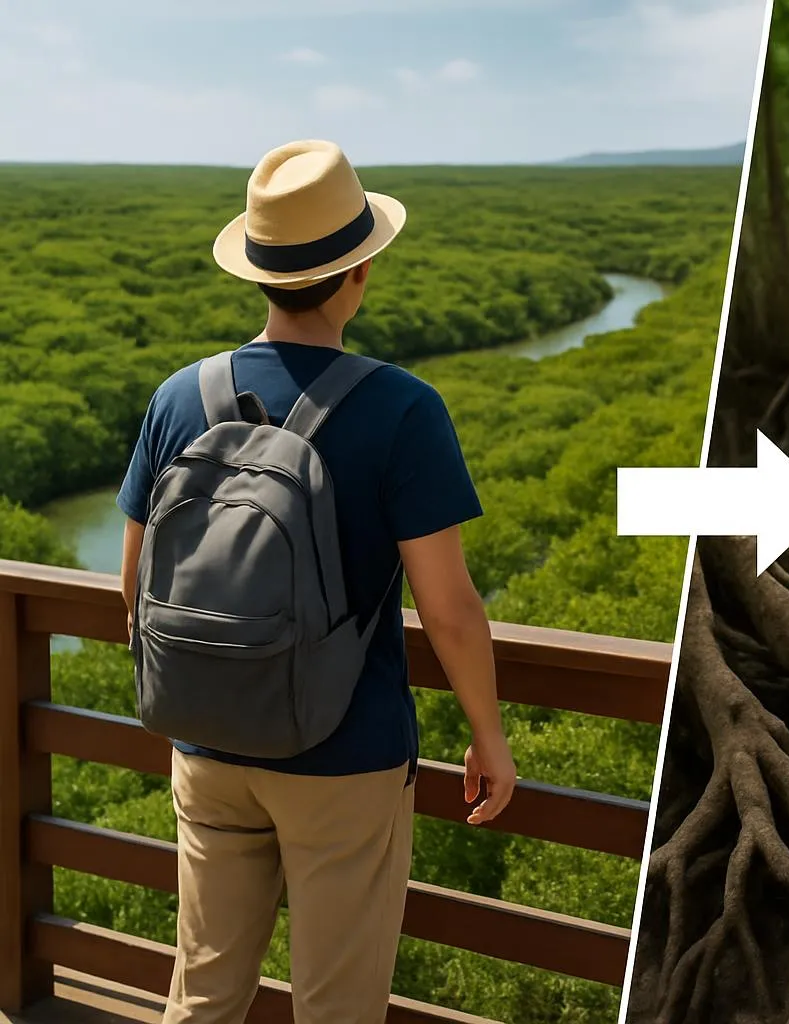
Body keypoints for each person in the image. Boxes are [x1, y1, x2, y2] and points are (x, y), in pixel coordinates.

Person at [116, 139, 520, 1024]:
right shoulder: (405, 409)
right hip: (344, 757)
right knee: (336, 1004)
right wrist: (488, 736)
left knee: (205, 991)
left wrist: (204, 684)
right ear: (358, 275)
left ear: (259, 274)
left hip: (206, 747)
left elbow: (136, 584)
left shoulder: (179, 396)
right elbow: (448, 610)